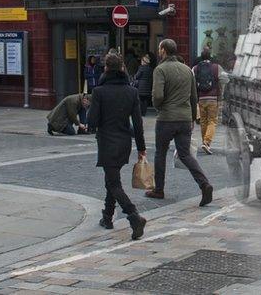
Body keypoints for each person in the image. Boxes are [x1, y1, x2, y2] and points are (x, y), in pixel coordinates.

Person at [85, 53, 147, 240]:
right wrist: (141, 147)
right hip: (124, 143)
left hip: (107, 142)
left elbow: (92, 122)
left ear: (105, 69)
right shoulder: (131, 91)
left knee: (113, 183)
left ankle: (134, 216)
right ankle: (107, 217)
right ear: (122, 69)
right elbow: (138, 123)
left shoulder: (99, 92)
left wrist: (92, 110)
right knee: (112, 180)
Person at [146, 39, 213, 206]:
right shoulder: (187, 70)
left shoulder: (160, 69)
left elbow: (158, 96)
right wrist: (191, 118)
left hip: (166, 118)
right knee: (185, 154)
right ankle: (204, 184)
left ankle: (159, 189)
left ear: (163, 51)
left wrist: (158, 107)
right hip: (184, 119)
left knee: (160, 152)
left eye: (160, 48)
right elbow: (193, 97)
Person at [192, 48, 228, 155]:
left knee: (203, 121)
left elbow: (192, 82)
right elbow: (225, 80)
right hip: (213, 98)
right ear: (210, 56)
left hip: (201, 99)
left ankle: (205, 142)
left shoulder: (195, 68)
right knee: (212, 121)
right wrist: (220, 89)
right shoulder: (217, 67)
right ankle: (207, 143)